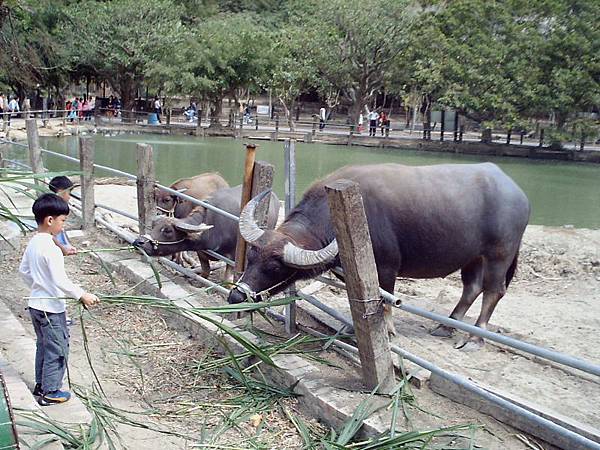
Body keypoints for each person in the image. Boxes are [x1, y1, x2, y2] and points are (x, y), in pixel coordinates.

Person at [19, 193, 99, 406]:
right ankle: (51, 391)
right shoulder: (51, 250)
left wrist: (38, 286)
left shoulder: (35, 242)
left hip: (36, 304)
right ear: (50, 220)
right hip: (51, 309)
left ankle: (41, 384)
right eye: (63, 221)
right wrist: (82, 294)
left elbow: (24, 271)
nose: (63, 226)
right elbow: (60, 280)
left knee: (43, 346)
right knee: (57, 348)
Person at [48, 177, 77, 257]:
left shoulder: (52, 204)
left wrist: (67, 247)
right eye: (69, 193)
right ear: (61, 191)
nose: (69, 197)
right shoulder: (54, 210)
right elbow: (50, 236)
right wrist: (63, 250)